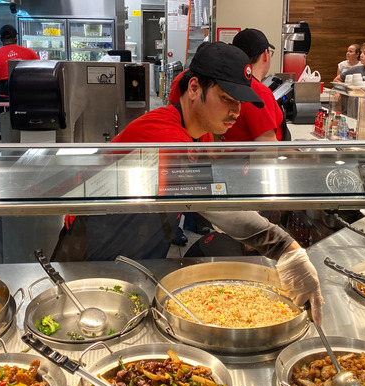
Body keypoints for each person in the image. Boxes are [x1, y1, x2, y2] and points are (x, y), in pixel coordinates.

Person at [52, 42, 324, 323]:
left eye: (239, 102)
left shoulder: (199, 131)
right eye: (227, 98)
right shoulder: (164, 135)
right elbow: (212, 204)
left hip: (142, 247)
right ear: (194, 88)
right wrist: (284, 247)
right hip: (95, 249)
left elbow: (208, 189)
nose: (236, 112)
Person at [223, 28, 284, 142]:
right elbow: (267, 148)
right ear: (266, 54)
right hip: (250, 159)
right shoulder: (259, 93)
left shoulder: (229, 84)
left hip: (232, 157)